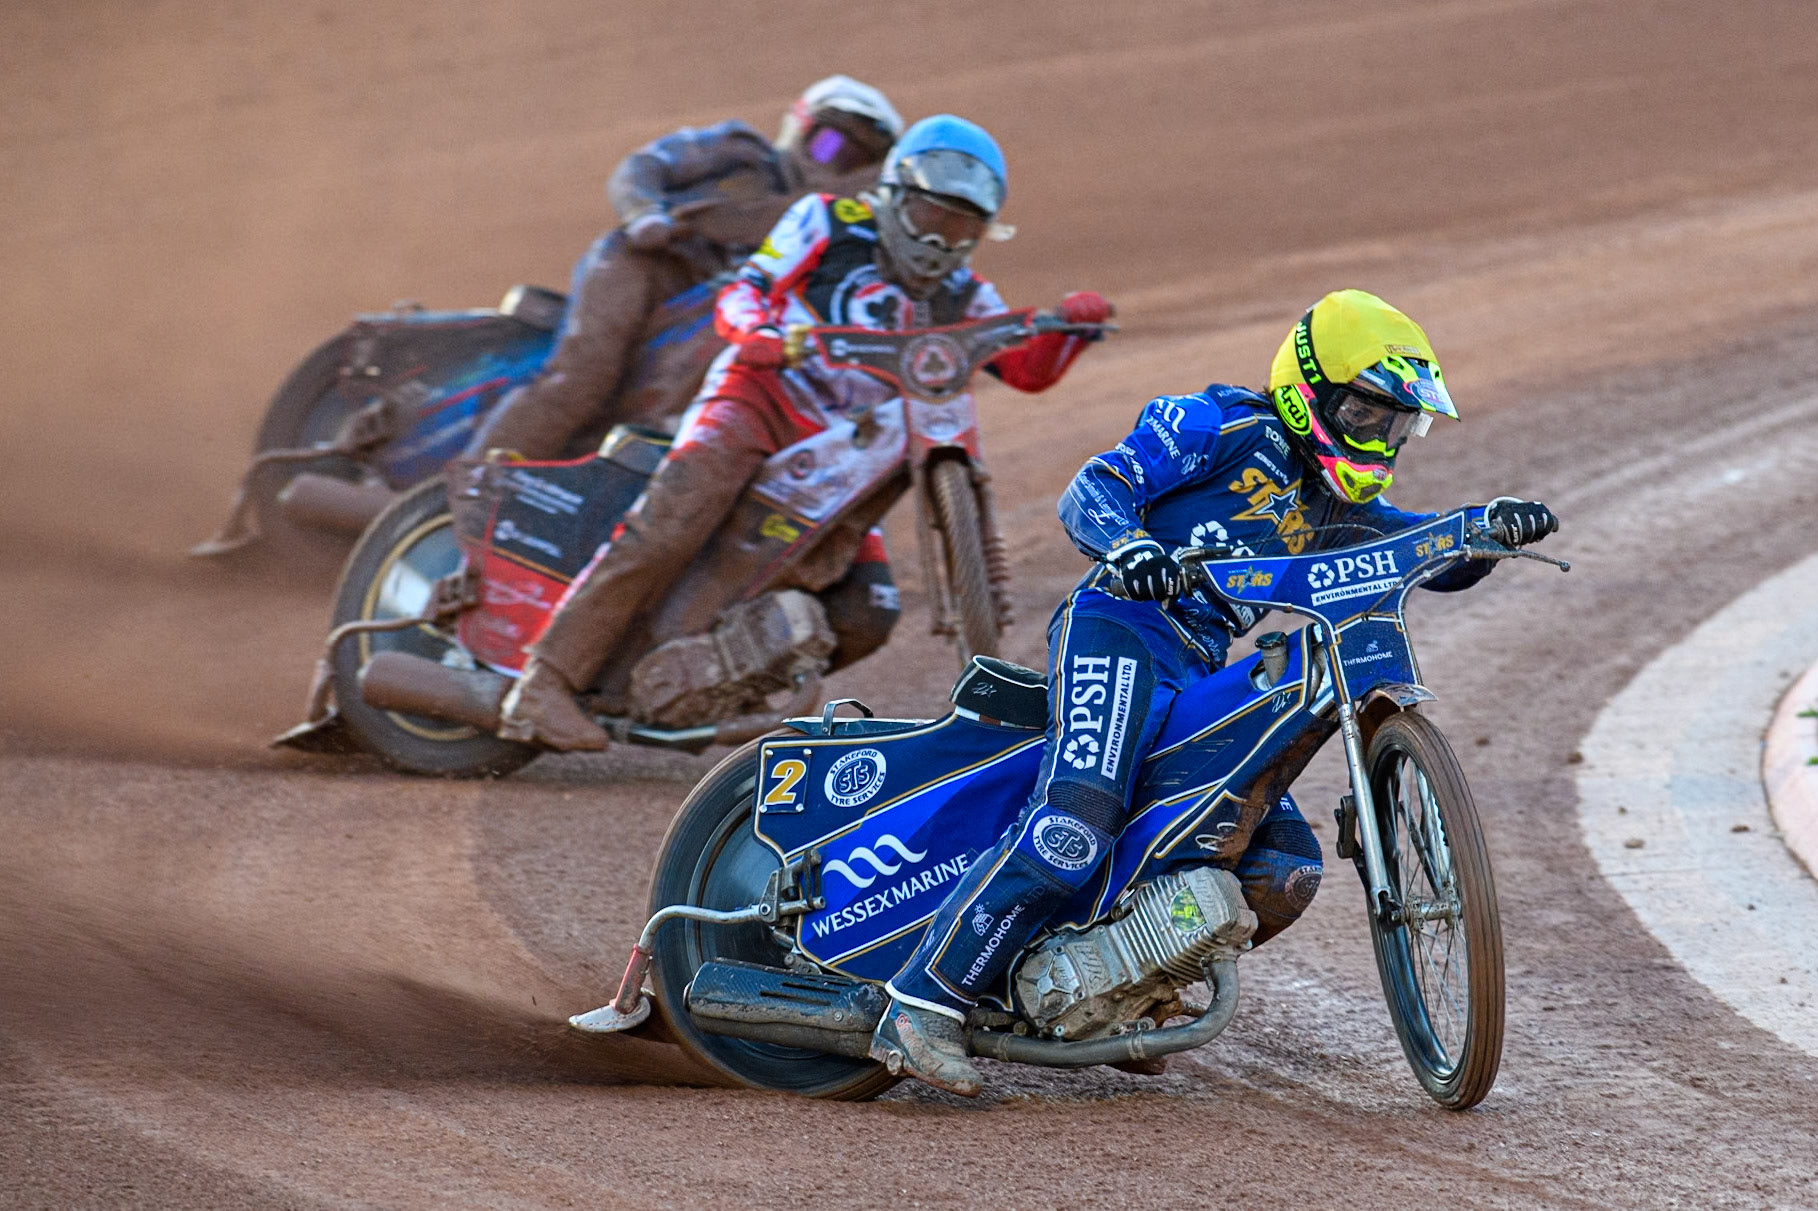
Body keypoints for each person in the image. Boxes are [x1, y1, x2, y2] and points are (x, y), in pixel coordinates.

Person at [869, 289, 1561, 1095]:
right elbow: (1093, 487)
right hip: (1120, 628)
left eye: (1398, 423)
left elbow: (1416, 551)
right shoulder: (1217, 424)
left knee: (1284, 867)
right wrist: (1128, 546)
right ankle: (920, 1004)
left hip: (1196, 665)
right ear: (1310, 391)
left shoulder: (1334, 503)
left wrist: (1482, 529)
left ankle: (1123, 987)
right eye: (1368, 413)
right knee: (1076, 821)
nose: (1382, 437)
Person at [496, 115, 1115, 751]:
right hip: (760, 398)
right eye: (932, 216)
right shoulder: (828, 221)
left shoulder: (966, 294)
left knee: (868, 610)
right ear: (897, 194)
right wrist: (758, 334)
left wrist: (1070, 330)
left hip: (845, 452)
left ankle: (701, 682)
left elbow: (1021, 369)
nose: (940, 240)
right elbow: (748, 289)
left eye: (961, 227)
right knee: (673, 519)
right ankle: (543, 680)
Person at [461, 76, 904, 462]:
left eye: (850, 161)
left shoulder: (831, 227)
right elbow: (647, 164)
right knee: (581, 379)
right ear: (799, 125)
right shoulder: (742, 153)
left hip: (722, 307)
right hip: (650, 265)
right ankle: (469, 488)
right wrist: (643, 212)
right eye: (828, 145)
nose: (831, 164)